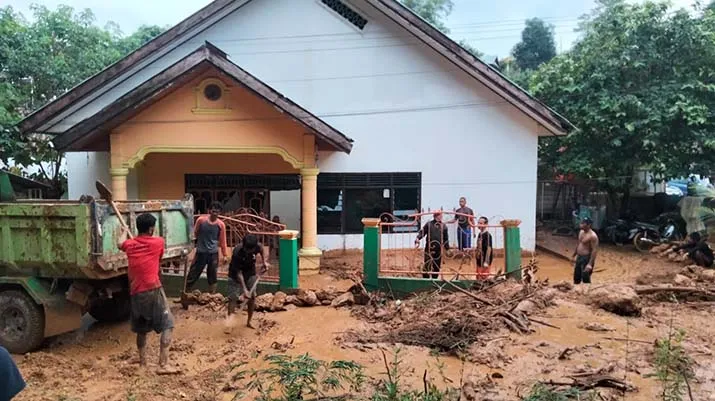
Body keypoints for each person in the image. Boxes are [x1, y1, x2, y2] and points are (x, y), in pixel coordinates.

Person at [117, 214, 176, 373]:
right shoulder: (158, 242)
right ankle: (163, 365)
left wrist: (124, 231)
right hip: (153, 288)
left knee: (142, 329)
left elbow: (119, 243)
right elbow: (159, 258)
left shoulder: (130, 245)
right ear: (151, 229)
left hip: (136, 291)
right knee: (168, 324)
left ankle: (143, 364)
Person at [227, 234, 270, 329]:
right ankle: (229, 324)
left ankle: (249, 321)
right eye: (246, 249)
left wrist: (264, 262)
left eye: (250, 250)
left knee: (252, 297)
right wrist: (245, 290)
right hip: (235, 274)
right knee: (233, 298)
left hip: (250, 272)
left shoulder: (257, 246)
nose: (248, 251)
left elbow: (261, 249)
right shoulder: (237, 252)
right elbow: (239, 273)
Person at [186, 202, 229, 294]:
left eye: (217, 211)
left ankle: (212, 294)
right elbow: (195, 233)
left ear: (220, 212)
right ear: (209, 210)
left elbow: (223, 240)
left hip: (213, 253)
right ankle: (186, 292)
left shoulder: (221, 225)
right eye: (213, 211)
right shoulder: (201, 220)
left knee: (212, 275)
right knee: (193, 273)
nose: (215, 213)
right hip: (201, 252)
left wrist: (225, 255)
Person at [415, 211, 449, 279]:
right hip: (429, 248)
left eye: (441, 215)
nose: (441, 217)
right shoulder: (429, 224)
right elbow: (423, 232)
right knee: (427, 264)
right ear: (436, 216)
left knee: (437, 265)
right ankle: (425, 279)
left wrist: (447, 248)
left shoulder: (443, 226)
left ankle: (434, 279)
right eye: (440, 215)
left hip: (438, 248)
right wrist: (418, 238)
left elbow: (446, 238)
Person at [572, 217, 599, 284]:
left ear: (588, 225)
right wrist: (574, 255)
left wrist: (590, 264)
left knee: (585, 277)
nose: (581, 224)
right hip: (579, 256)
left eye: (583, 223)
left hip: (587, 258)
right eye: (581, 223)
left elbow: (594, 250)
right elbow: (579, 244)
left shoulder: (593, 236)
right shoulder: (581, 232)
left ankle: (587, 289)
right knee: (576, 276)